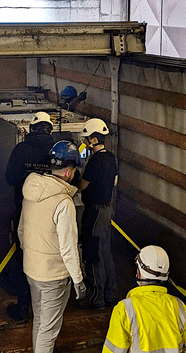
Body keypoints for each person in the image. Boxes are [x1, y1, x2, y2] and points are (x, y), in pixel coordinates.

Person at [17, 140, 86, 353]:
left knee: (39, 323)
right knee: (49, 329)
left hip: (32, 269)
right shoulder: (63, 202)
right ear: (69, 172)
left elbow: (22, 231)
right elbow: (69, 248)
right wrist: (78, 280)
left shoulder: (31, 190)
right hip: (54, 276)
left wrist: (31, 255)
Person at [3, 111, 55, 322]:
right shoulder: (56, 149)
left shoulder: (21, 149)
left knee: (24, 255)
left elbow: (10, 178)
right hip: (53, 212)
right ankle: (48, 309)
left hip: (26, 210)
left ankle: (24, 307)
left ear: (32, 129)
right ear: (49, 129)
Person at [78, 118, 118, 310]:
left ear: (94, 139)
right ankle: (110, 295)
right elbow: (115, 182)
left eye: (86, 139)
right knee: (105, 253)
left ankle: (96, 299)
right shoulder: (111, 158)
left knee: (94, 255)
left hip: (94, 212)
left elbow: (81, 186)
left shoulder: (95, 162)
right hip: (107, 209)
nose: (85, 142)